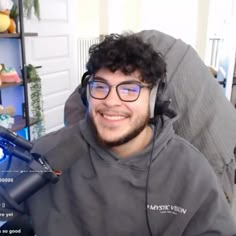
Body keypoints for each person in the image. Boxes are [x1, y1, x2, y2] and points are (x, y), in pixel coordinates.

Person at [1, 33, 236, 236]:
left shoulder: (191, 172)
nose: (111, 102)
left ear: (154, 99)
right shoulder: (46, 153)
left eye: (129, 89)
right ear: (86, 93)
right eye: (101, 86)